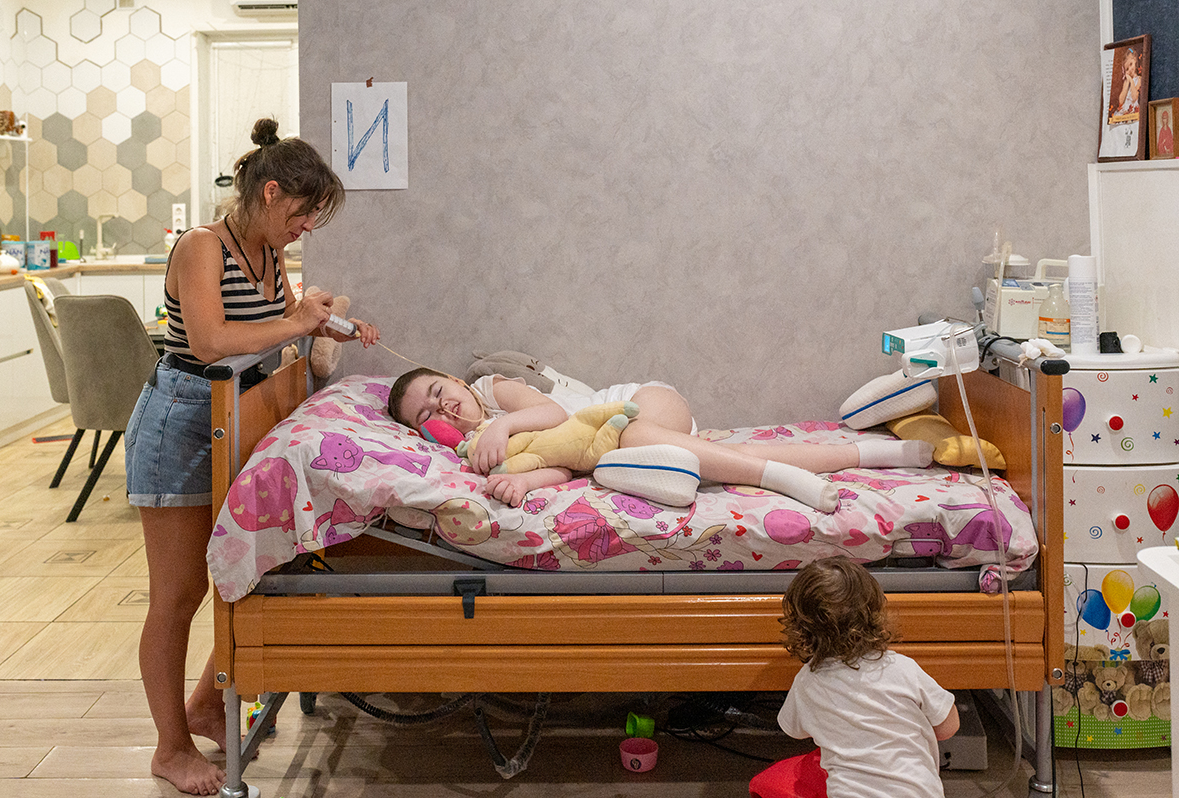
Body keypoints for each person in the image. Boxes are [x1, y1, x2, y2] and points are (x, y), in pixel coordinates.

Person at [125, 118, 380, 795]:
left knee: (251, 563)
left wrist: (325, 323)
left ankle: (206, 705)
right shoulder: (201, 247)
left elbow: (272, 326)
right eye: (301, 213)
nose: (306, 228)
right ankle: (170, 748)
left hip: (231, 416)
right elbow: (210, 340)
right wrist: (295, 320)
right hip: (179, 423)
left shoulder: (268, 252)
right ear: (270, 193)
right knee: (178, 594)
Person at [387, 369, 932, 507]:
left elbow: (551, 416)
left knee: (632, 439)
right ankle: (874, 453)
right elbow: (564, 463)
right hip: (611, 449)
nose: (443, 407)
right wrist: (527, 484)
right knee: (726, 458)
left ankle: (778, 479)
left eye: (439, 391)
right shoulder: (474, 450)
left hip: (638, 403)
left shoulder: (493, 393)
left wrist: (503, 424)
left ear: (455, 380)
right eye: (426, 415)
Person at [777, 557, 959, 797]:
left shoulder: (808, 681)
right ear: (874, 615)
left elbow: (793, 730)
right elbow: (948, 727)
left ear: (801, 627)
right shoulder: (902, 668)